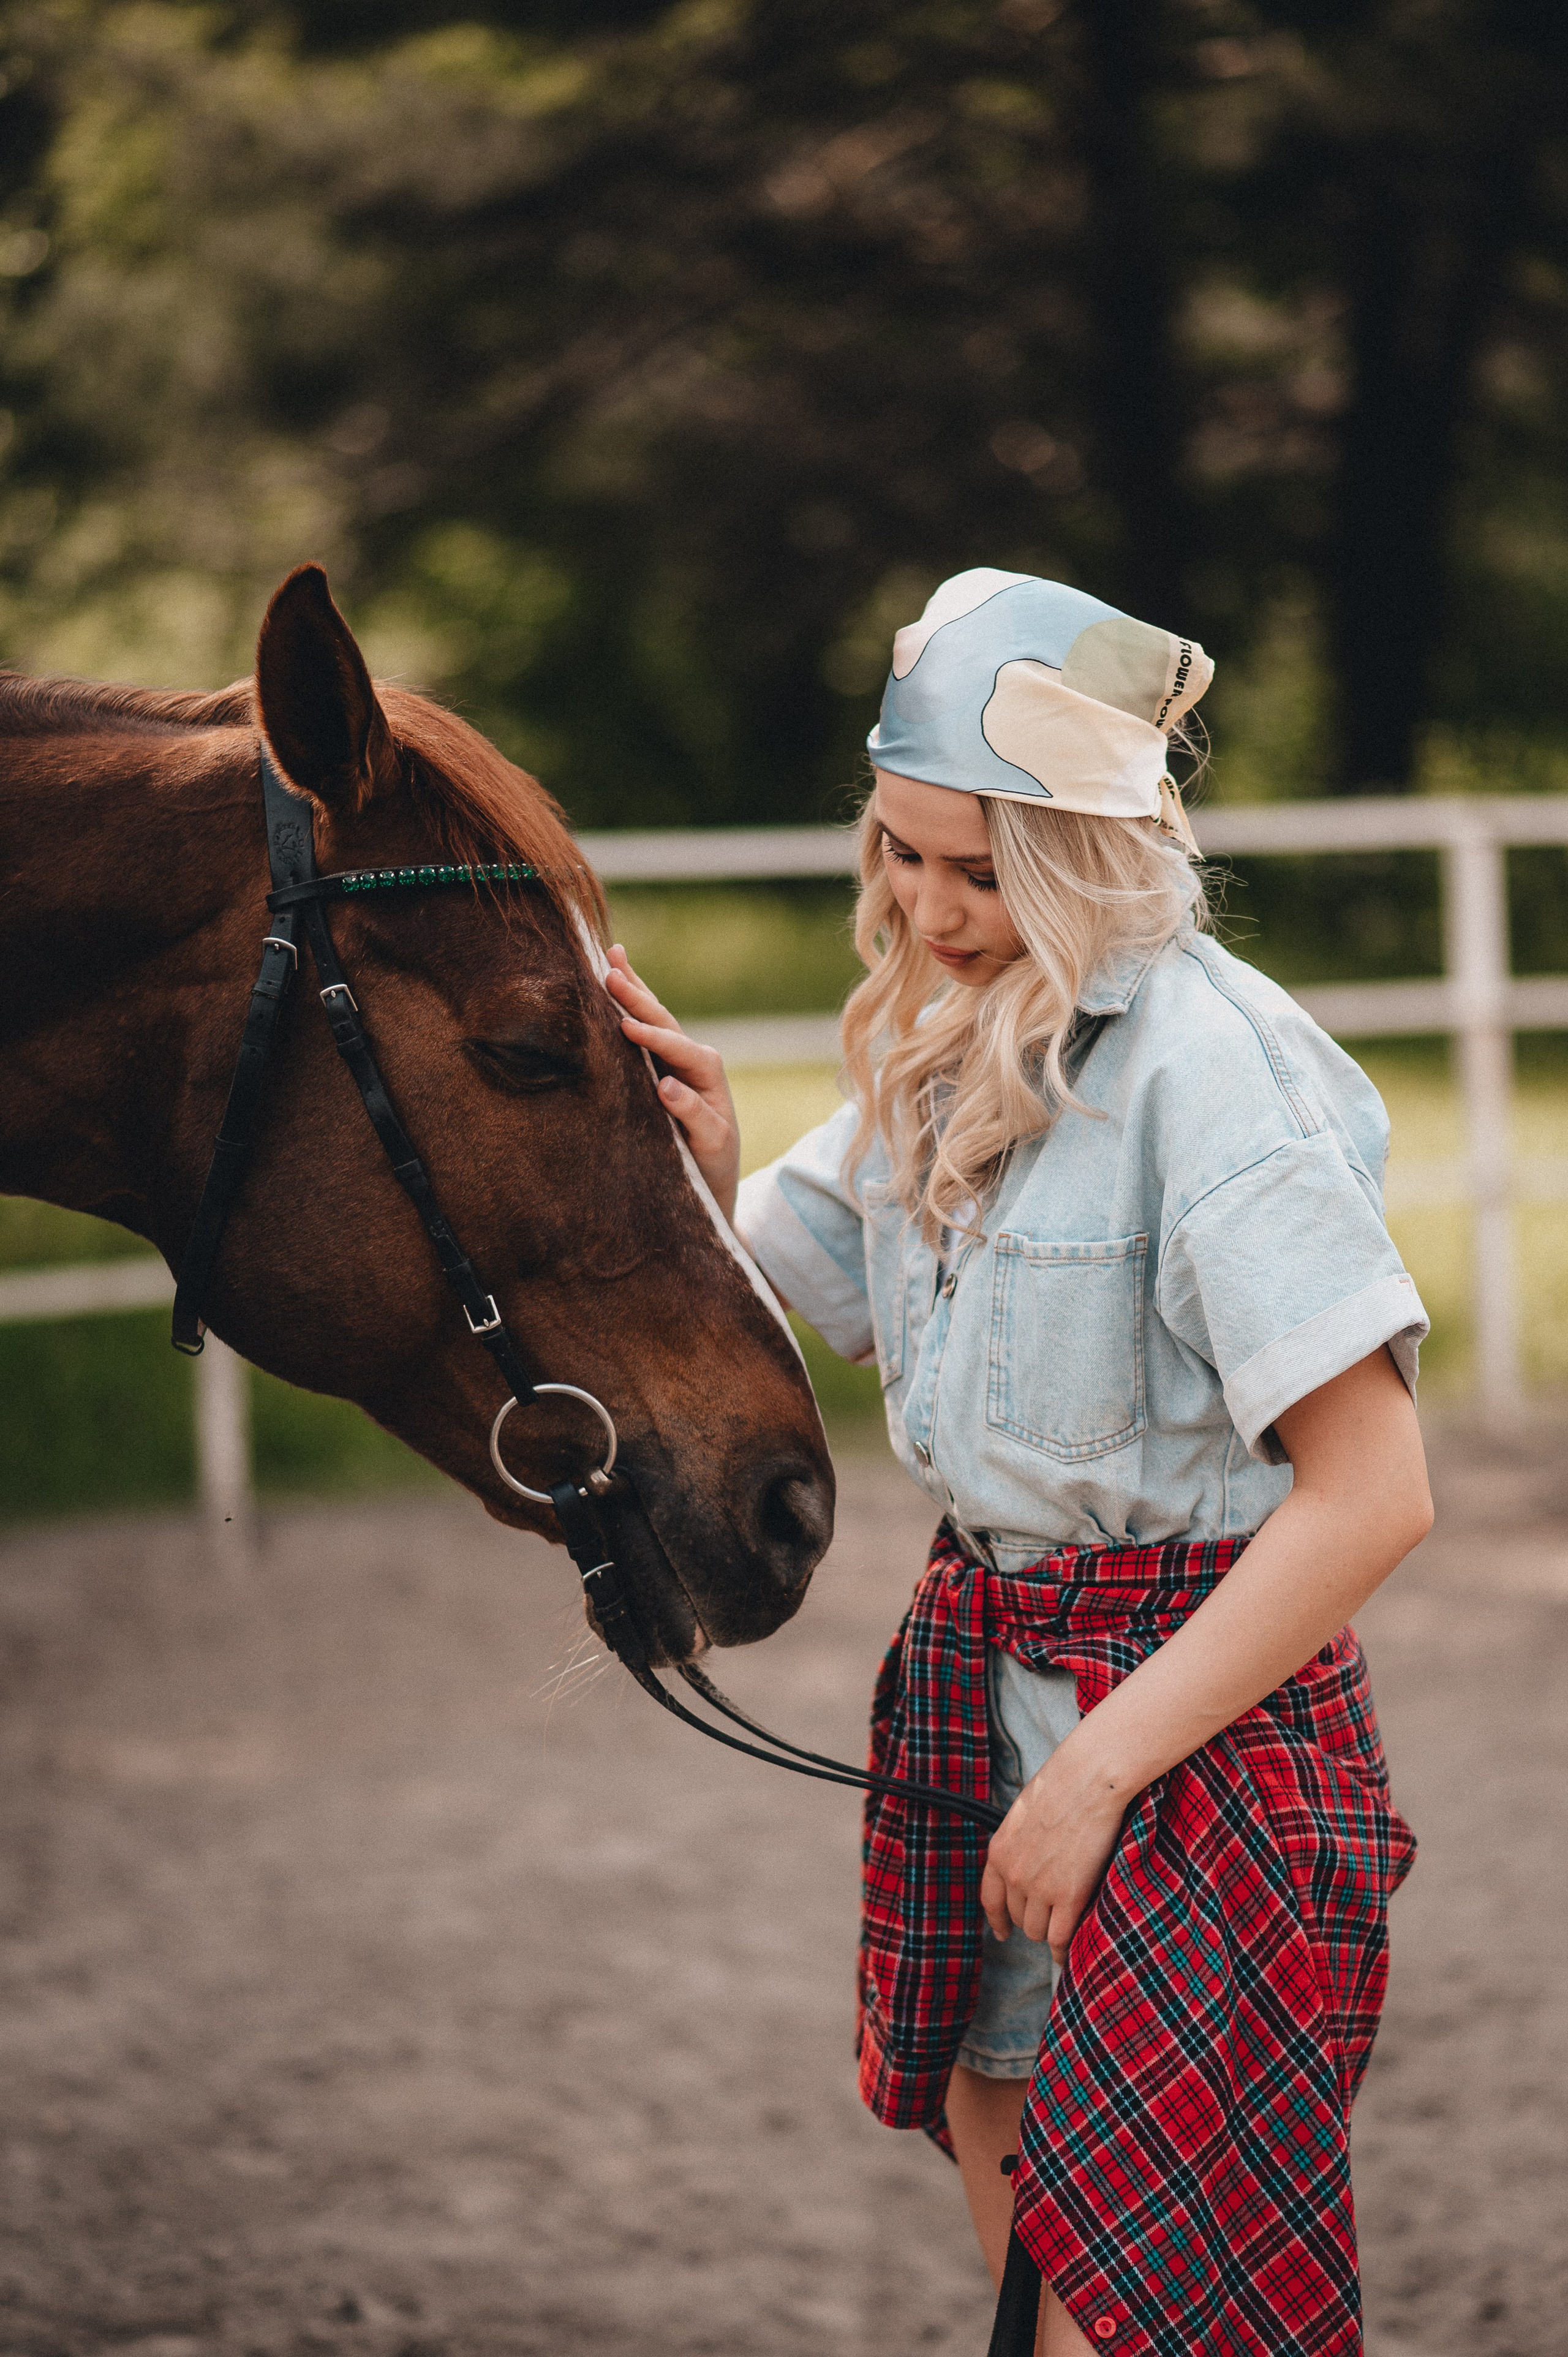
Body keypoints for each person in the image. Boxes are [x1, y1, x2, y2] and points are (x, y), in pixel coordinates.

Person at [605, 568, 1432, 2356]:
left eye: (979, 872)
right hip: (986, 1721)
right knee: (1026, 2279)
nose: (926, 906)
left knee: (1145, 2323)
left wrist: (1095, 1780)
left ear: (1091, 857)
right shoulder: (942, 1040)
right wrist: (712, 1148)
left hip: (1196, 1772)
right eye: (900, 854)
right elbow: (794, 1284)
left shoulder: (1217, 1077)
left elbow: (1375, 1497)